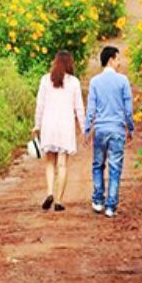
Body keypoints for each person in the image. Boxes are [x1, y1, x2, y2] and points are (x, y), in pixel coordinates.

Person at [33, 50, 86, 212]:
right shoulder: (74, 82)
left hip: (49, 124)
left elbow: (40, 105)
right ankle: (59, 200)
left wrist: (37, 125)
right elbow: (79, 108)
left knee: (50, 163)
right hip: (65, 126)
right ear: (70, 64)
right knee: (62, 164)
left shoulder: (45, 80)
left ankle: (49, 192)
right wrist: (84, 129)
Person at [85, 46, 135, 218]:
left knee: (98, 165)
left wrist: (86, 130)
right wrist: (130, 128)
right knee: (115, 167)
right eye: (118, 59)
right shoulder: (123, 81)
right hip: (116, 130)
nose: (120, 63)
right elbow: (128, 110)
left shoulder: (95, 82)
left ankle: (98, 200)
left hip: (100, 129)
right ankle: (110, 206)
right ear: (111, 59)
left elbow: (91, 109)